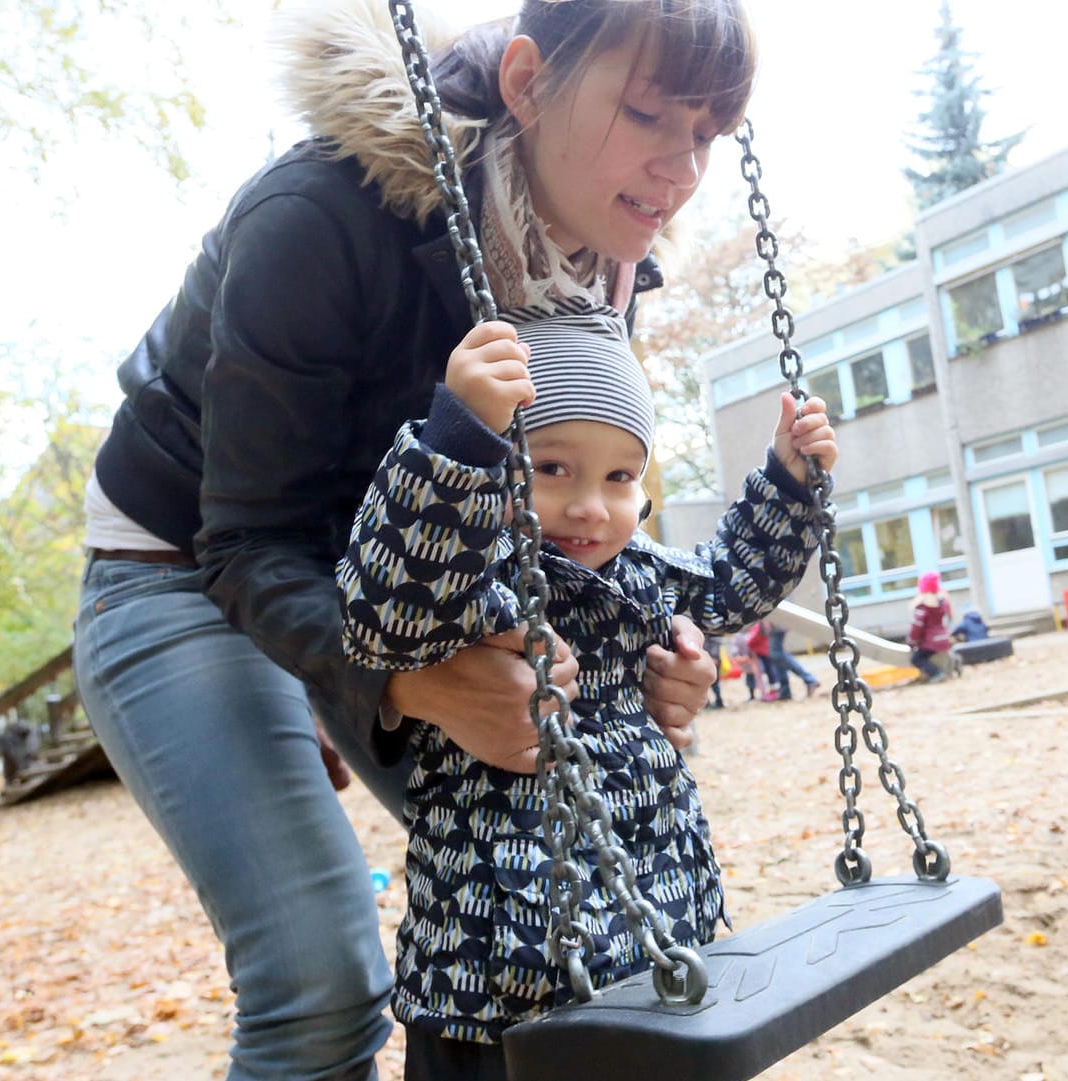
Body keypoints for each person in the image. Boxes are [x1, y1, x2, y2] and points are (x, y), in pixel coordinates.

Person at [70, 2, 751, 1076]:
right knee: (321, 981)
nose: (681, 167)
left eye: (708, 134)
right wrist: (413, 687)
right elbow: (247, 539)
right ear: (527, 81)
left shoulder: (605, 258)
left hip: (413, 587)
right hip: (181, 569)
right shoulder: (322, 214)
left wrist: (648, 654)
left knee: (573, 912)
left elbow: (567, 514)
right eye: (648, 114)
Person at [337, 300, 834, 1076]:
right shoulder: (472, 578)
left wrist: (789, 482)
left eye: (619, 476)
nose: (589, 505)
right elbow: (385, 609)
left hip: (658, 919)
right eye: (551, 467)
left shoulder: (645, 573)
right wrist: (457, 438)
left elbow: (735, 581)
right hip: (494, 962)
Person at [906, 571, 954, 682]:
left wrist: (911, 642)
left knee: (916, 658)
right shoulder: (941, 603)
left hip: (931, 642)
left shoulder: (922, 607)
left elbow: (916, 628)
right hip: (943, 638)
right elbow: (947, 620)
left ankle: (936, 673)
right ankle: (952, 662)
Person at [758, 620, 819, 699]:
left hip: (776, 623)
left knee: (776, 655)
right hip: (777, 624)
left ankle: (810, 680)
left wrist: (768, 621)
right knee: (777, 657)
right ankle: (785, 691)